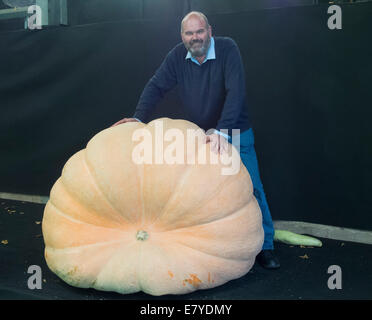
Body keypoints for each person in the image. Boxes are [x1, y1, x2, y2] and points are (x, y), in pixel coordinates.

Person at [112, 11, 280, 269]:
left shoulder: (227, 49)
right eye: (189, 33)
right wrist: (138, 119)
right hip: (201, 136)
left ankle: (265, 247)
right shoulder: (177, 57)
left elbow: (236, 91)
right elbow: (155, 87)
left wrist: (222, 132)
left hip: (233, 132)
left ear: (209, 30)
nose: (195, 37)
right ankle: (220, 246)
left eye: (199, 31)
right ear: (182, 36)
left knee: (252, 187)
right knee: (203, 194)